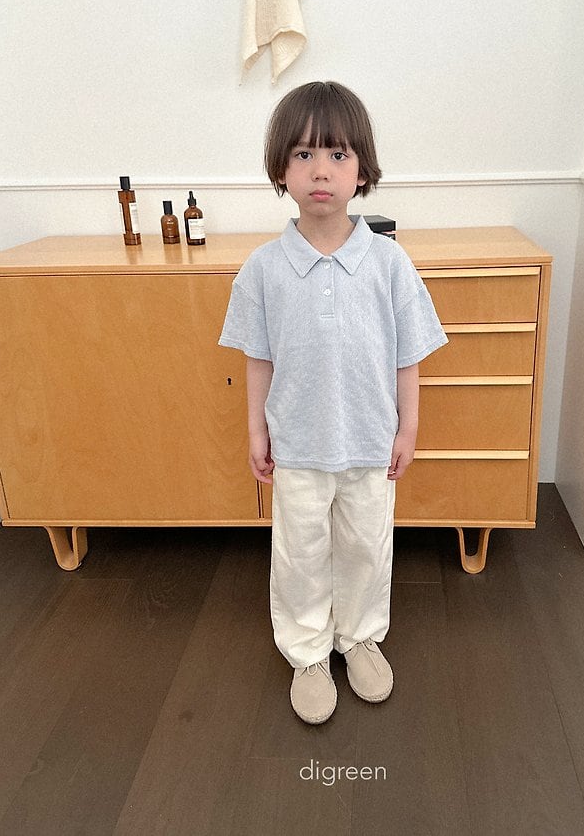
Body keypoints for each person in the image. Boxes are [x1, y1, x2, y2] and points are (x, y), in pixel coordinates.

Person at [218, 81, 447, 724]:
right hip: (297, 446)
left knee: (366, 546)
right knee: (300, 552)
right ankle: (308, 650)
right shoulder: (263, 269)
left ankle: (361, 637)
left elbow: (409, 354)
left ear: (362, 170)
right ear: (281, 170)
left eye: (338, 155)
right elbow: (257, 357)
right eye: (304, 155)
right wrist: (256, 431)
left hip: (370, 443)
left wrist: (408, 428)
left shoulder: (390, 264)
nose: (321, 170)